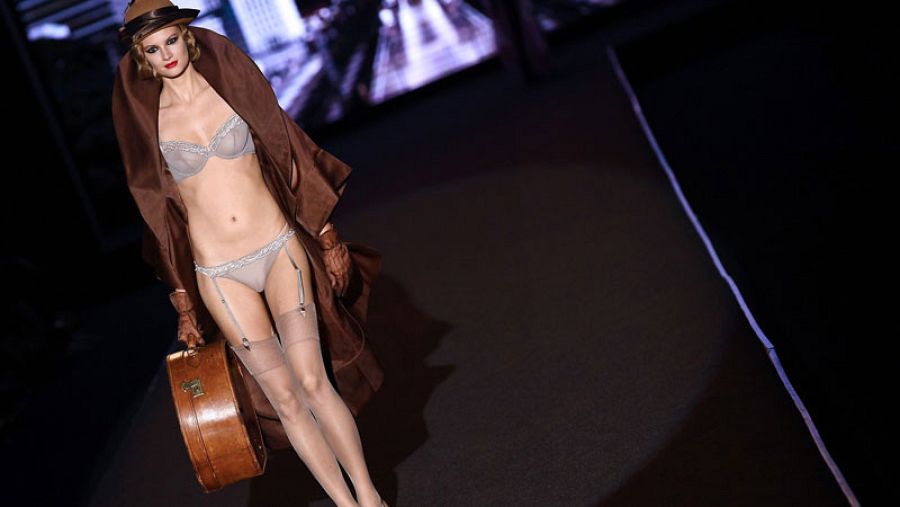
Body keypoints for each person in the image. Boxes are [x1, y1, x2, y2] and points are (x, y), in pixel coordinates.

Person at [111, 2, 387, 506]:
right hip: (219, 273)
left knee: (313, 381)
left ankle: (369, 498)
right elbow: (157, 214)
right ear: (142, 58)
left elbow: (290, 150)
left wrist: (326, 234)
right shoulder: (150, 126)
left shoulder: (231, 87)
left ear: (185, 35)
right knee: (285, 399)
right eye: (152, 49)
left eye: (170, 40)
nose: (166, 54)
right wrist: (183, 302)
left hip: (278, 247)